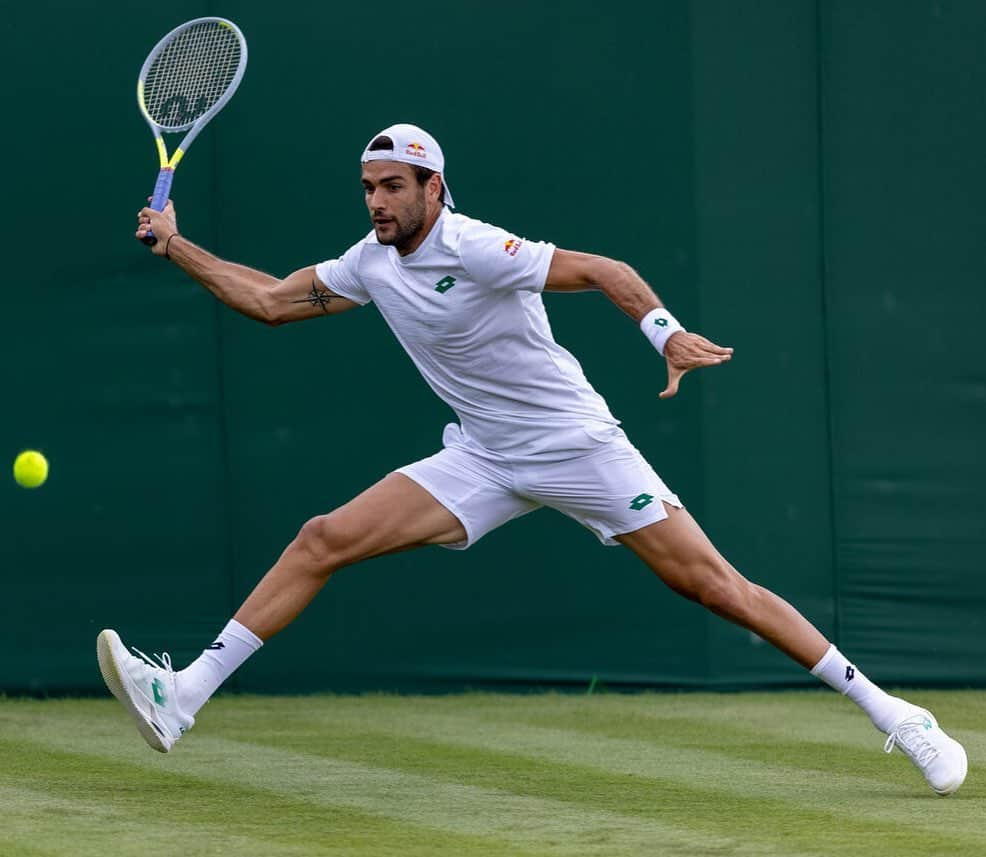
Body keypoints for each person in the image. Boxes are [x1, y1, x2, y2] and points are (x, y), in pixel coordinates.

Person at [99, 123, 966, 796]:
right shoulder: (368, 262)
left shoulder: (477, 245)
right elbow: (269, 301)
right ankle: (184, 697)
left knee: (716, 588)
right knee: (322, 537)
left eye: (394, 187)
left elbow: (605, 269)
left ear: (433, 186)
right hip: (482, 455)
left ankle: (896, 712)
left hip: (577, 446)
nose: (378, 202)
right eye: (369, 188)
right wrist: (178, 245)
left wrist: (664, 334)